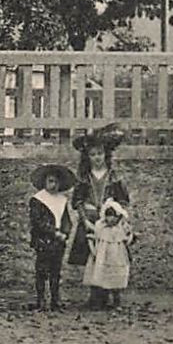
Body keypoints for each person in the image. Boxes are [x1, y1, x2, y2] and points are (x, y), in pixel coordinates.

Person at [65, 125, 131, 309]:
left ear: (106, 155)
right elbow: (76, 200)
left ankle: (113, 295)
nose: (97, 158)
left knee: (111, 257)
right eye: (93, 155)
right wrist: (84, 218)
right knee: (93, 258)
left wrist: (117, 217)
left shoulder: (114, 177)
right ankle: (95, 297)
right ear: (87, 157)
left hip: (110, 225)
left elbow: (124, 201)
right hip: (91, 221)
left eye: (100, 154)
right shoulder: (84, 178)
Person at [27, 163, 75, 312]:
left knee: (56, 270)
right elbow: (37, 222)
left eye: (56, 182)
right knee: (42, 270)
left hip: (58, 241)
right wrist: (53, 232)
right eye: (50, 181)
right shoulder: (38, 200)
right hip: (44, 239)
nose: (53, 185)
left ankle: (55, 299)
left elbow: (67, 221)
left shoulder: (62, 200)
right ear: (44, 182)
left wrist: (65, 233)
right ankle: (40, 299)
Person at [84, 199, 133, 308]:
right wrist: (93, 251)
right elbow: (94, 237)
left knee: (116, 278)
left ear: (119, 216)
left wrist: (129, 237)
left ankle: (117, 301)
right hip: (103, 257)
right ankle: (101, 301)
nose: (110, 219)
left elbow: (127, 238)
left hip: (117, 257)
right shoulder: (100, 227)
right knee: (102, 277)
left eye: (114, 216)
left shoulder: (121, 228)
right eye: (108, 216)